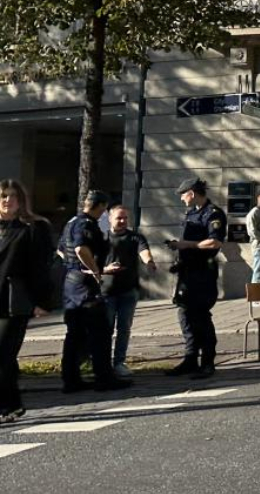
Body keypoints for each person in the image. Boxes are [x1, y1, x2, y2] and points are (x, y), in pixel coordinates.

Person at [60, 190, 131, 393]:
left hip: (72, 282)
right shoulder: (85, 224)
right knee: (100, 332)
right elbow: (81, 249)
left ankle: (71, 379)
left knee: (75, 334)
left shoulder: (71, 222)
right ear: (100, 206)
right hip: (84, 284)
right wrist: (96, 271)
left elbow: (61, 250)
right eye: (104, 208)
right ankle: (104, 378)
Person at [0, 180, 55, 423]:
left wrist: (41, 301)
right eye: (2, 195)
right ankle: (12, 404)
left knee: (2, 353)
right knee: (5, 358)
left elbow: (41, 267)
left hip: (15, 299)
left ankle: (4, 406)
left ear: (21, 200)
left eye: (12, 196)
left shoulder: (33, 227)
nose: (7, 200)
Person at [166, 178, 226, 379]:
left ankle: (207, 362)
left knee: (200, 316)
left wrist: (187, 245)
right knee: (184, 314)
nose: (182, 199)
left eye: (183, 194)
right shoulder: (191, 213)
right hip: (187, 272)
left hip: (202, 273)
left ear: (191, 193)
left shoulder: (213, 213)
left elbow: (214, 242)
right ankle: (190, 358)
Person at [102, 204, 157, 378]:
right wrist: (105, 269)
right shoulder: (102, 238)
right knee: (106, 328)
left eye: (125, 218)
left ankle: (119, 362)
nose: (123, 221)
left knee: (124, 328)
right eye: (119, 218)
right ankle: (102, 362)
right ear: (110, 219)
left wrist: (149, 262)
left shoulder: (135, 238)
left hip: (128, 291)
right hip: (106, 291)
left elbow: (144, 251)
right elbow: (92, 263)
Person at [246, 190, 260, 284]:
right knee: (259, 272)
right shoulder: (253, 213)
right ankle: (256, 296)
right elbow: (252, 231)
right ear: (258, 198)